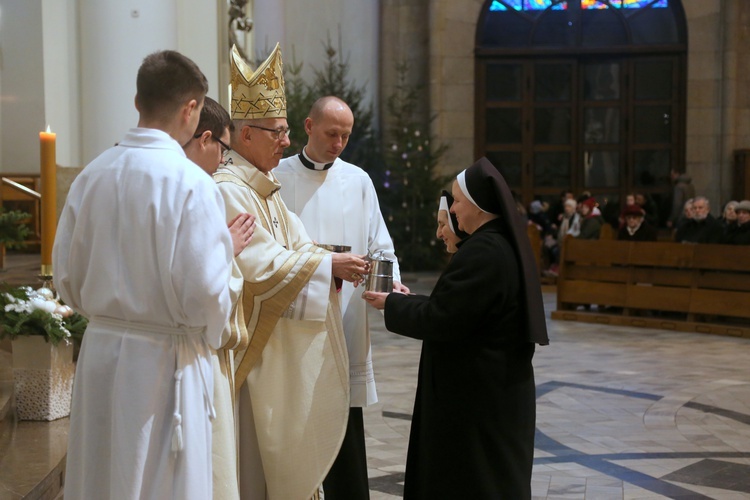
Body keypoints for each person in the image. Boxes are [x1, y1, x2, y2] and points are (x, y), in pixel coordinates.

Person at [54, 50, 235, 499]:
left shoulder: (91, 176)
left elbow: (65, 278)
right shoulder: (191, 183)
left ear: (138, 101)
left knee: (101, 476)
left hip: (100, 354)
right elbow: (208, 294)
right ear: (191, 109)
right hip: (166, 362)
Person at [214, 44, 368, 500]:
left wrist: (329, 263)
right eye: (277, 132)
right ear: (246, 135)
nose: (285, 142)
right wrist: (326, 265)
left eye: (285, 132)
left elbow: (298, 246)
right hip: (251, 360)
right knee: (253, 468)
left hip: (271, 356)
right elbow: (256, 268)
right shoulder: (229, 191)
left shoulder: (264, 190)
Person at [363, 157, 549, 499]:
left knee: (473, 482)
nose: (455, 210)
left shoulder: (484, 251)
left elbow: (443, 319)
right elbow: (457, 309)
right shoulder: (494, 245)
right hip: (487, 391)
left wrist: (390, 304)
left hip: (476, 402)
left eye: (458, 201)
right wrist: (409, 300)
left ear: (478, 205)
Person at [274, 95, 408, 499]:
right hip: (294, 316)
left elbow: (380, 244)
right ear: (308, 126)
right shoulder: (277, 176)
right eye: (332, 133)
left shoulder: (359, 180)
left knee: (343, 416)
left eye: (346, 136)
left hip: (346, 314)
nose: (338, 143)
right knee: (293, 411)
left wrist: (391, 282)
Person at [183, 95, 256, 500]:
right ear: (206, 138)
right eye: (225, 151)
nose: (225, 162)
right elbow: (207, 292)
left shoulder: (99, 175)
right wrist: (226, 251)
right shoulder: (201, 190)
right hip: (187, 352)